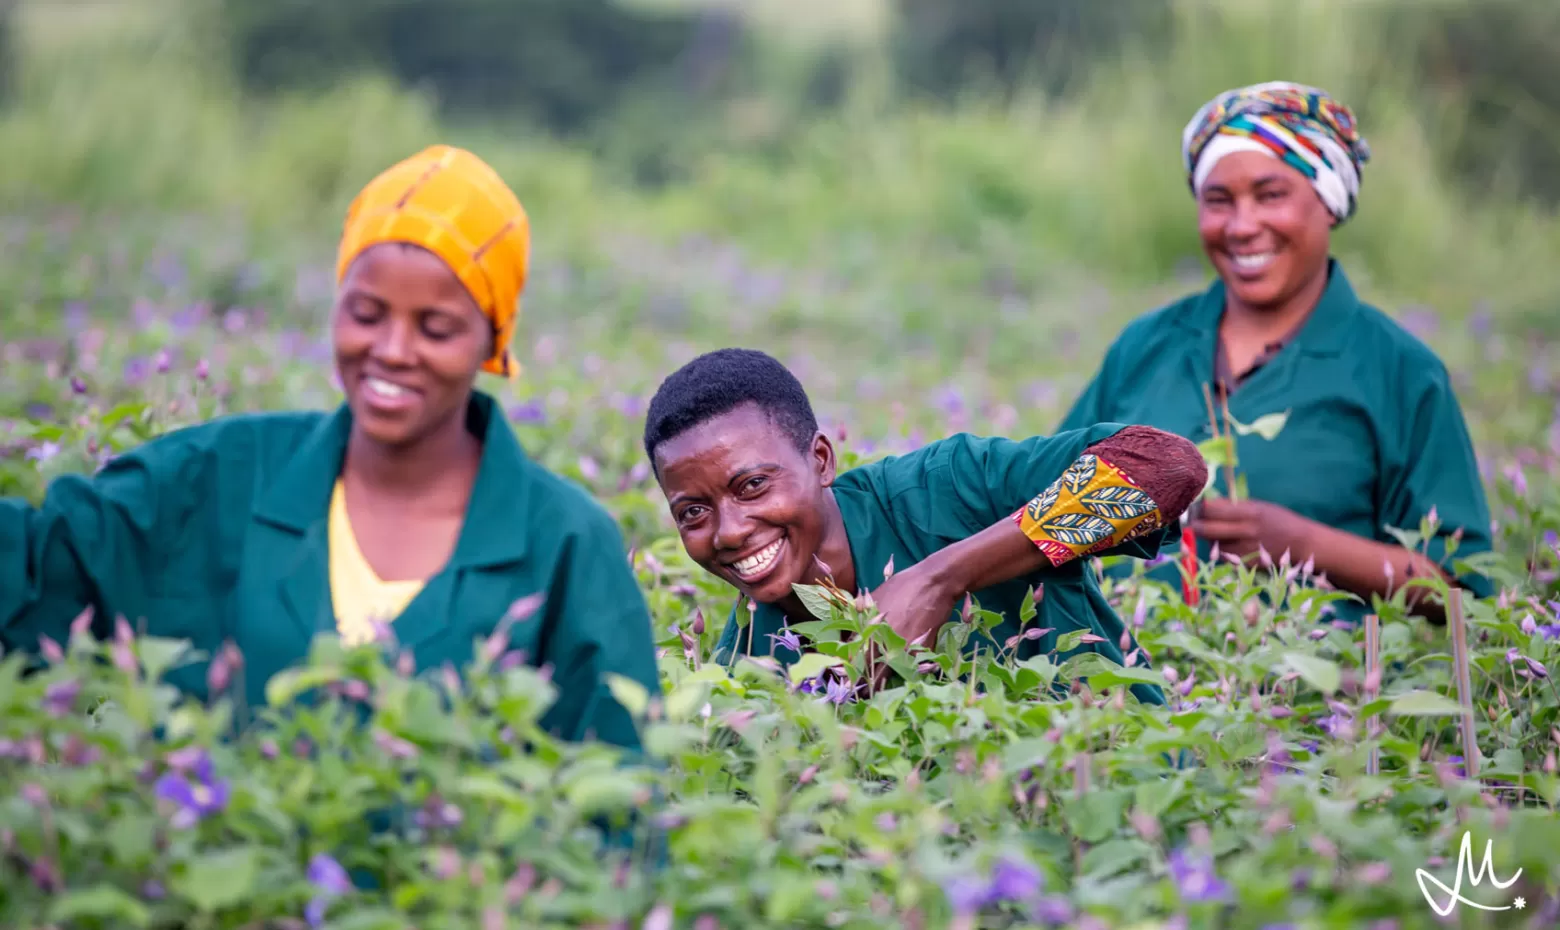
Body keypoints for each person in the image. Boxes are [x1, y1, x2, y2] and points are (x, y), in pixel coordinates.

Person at [0, 144, 662, 751]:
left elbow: (618, 802)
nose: (393, 352)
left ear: (491, 341)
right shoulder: (217, 478)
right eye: (367, 314)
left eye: (436, 327)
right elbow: (36, 568)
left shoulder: (567, 542)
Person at [1057, 82, 1494, 625]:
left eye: (1270, 195)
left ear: (1328, 202)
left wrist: (1301, 544)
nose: (1242, 226)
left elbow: (1460, 592)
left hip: (1308, 699)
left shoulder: (1400, 371)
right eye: (1219, 200)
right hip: (1117, 692)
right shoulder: (1148, 346)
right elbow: (1045, 511)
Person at [641, 348, 1207, 706]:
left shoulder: (945, 488)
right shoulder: (745, 664)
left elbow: (1165, 467)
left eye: (752, 486)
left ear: (819, 461)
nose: (730, 532)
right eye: (693, 512)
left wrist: (940, 579)